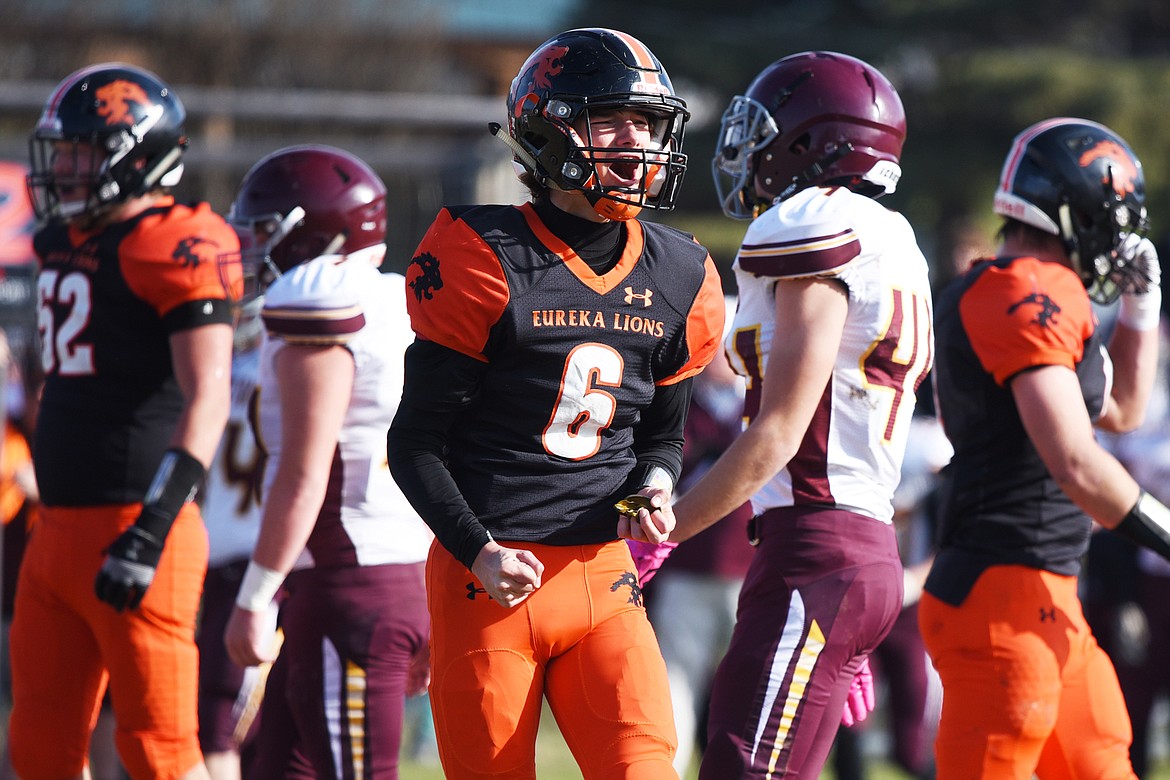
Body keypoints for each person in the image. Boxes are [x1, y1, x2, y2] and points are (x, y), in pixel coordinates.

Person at [386, 27, 726, 779]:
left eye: (648, 122)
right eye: (614, 120)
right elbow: (414, 444)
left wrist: (658, 486)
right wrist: (477, 547)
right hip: (488, 580)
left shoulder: (681, 274)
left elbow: (662, 439)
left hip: (603, 578)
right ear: (551, 128)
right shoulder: (482, 256)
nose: (637, 142)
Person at [659, 51, 934, 780]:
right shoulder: (893, 236)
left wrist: (664, 535)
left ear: (814, 142)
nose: (750, 151)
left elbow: (779, 430)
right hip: (852, 549)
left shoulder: (814, 222)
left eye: (766, 131)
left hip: (819, 551)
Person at [8, 62, 239, 780]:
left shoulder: (178, 242)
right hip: (57, 530)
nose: (66, 170)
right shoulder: (64, 243)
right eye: (65, 153)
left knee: (160, 750)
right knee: (40, 747)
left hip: (140, 528)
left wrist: (152, 529)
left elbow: (209, 395)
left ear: (138, 158)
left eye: (82, 153)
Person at [921, 117, 1169, 778]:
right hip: (1000, 595)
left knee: (1101, 756)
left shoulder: (1034, 292)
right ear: (1076, 210)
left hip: (1048, 590)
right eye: (1114, 216)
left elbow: (1121, 412)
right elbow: (1076, 460)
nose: (1120, 236)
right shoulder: (1022, 288)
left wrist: (1141, 311)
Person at [221, 144, 434, 779]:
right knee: (280, 768)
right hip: (398, 576)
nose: (250, 252)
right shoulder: (400, 300)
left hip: (351, 586)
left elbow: (305, 472)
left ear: (310, 231)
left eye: (262, 234)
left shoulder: (320, 299)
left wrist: (255, 597)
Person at [644, 296, 755, 776]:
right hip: (684, 565)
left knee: (748, 686)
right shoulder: (679, 404)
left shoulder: (763, 407)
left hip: (748, 568)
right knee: (675, 682)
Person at [196, 297, 266, 780]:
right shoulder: (288, 368)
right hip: (251, 561)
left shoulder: (222, 375)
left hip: (249, 565)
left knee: (218, 730)